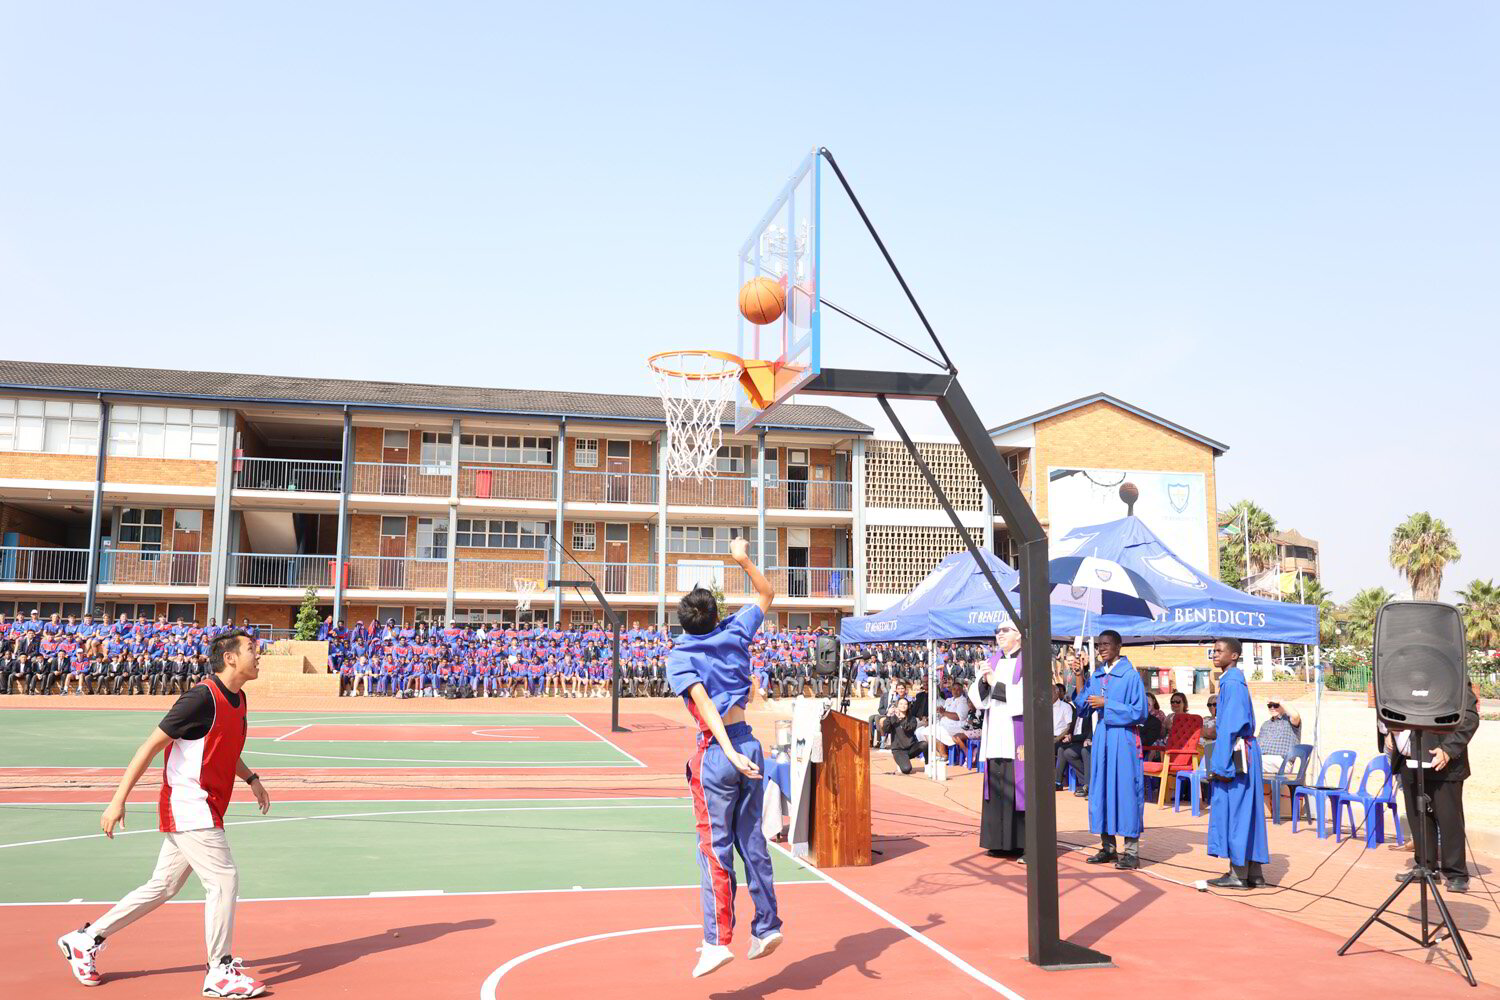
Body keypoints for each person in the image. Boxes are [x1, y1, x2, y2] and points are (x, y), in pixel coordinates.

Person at [56, 629, 270, 997]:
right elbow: (150, 746)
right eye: (252, 649)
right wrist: (117, 800)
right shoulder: (201, 698)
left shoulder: (239, 699)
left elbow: (222, 747)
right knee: (223, 880)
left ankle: (85, 939)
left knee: (163, 886)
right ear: (231, 658)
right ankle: (219, 971)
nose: (259, 654)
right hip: (190, 804)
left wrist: (250, 778)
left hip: (206, 806)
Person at [665, 537, 783, 978]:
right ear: (716, 612)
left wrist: (729, 754)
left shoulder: (681, 654)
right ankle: (768, 925)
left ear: (684, 622)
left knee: (713, 849)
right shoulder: (736, 630)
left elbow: (705, 706)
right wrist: (742, 559)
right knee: (752, 839)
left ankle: (717, 941)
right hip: (750, 741)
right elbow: (766, 594)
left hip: (720, 752)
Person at [1385, 682, 1480, 892]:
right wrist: (1387, 732)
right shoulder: (1400, 676)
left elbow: (1470, 718)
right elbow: (1387, 710)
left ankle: (1456, 874)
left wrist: (1448, 749)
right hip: (1408, 762)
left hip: (1442, 762)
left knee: (1449, 820)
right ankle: (1425, 866)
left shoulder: (1451, 675)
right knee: (1418, 817)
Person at [1077, 630, 1148, 870]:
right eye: (1099, 645)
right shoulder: (1096, 675)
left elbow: (1140, 712)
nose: (1102, 648)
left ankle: (1131, 852)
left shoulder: (1130, 676)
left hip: (1124, 738)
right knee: (1101, 789)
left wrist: (1108, 704)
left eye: (1107, 644)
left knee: (1125, 790)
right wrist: (1079, 676)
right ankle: (1107, 847)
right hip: (1102, 738)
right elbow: (1082, 707)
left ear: (1119, 646)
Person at [1204, 638, 1269, 889]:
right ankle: (1254, 873)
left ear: (1234, 655)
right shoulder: (1234, 681)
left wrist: (1219, 766)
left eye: (1220, 651)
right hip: (1247, 750)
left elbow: (1230, 726)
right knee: (1249, 811)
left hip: (1236, 753)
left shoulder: (1230, 682)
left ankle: (1238, 873)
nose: (1215, 654)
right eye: (1214, 651)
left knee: (1235, 811)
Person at [967, 620, 1027, 859]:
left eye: (1006, 630)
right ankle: (1001, 841)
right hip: (995, 733)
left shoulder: (1029, 661)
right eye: (998, 631)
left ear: (1019, 635)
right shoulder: (992, 661)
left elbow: (1026, 697)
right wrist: (983, 682)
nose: (1000, 635)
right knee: (998, 787)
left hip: (1017, 733)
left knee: (1019, 787)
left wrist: (995, 684)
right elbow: (977, 698)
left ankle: (1024, 844)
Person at [1257, 699, 1302, 775]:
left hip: (1282, 761)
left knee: (1252, 763)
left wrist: (1280, 701)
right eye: (1270, 705)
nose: (1272, 708)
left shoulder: (1289, 721)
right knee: (1242, 762)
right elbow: (1257, 744)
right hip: (1263, 759)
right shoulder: (1265, 724)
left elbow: (1295, 715)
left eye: (1276, 705)